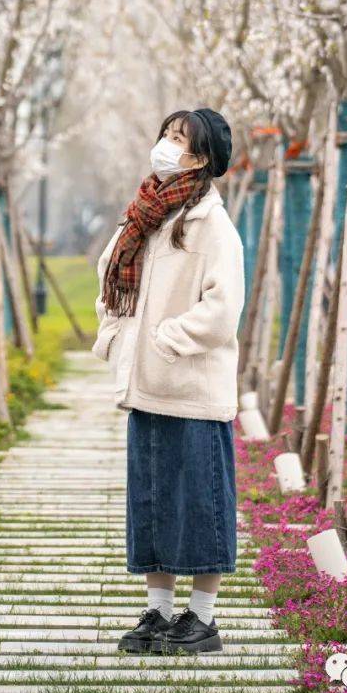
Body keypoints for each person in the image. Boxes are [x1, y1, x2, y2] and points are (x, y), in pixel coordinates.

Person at [92, 106, 245, 655]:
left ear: (201, 159)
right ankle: (157, 613)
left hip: (193, 390)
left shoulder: (214, 228)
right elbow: (111, 277)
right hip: (146, 385)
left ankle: (201, 619)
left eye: (179, 139)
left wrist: (170, 338)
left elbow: (223, 310)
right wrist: (115, 334)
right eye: (166, 134)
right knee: (152, 503)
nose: (166, 144)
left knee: (200, 503)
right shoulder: (145, 215)